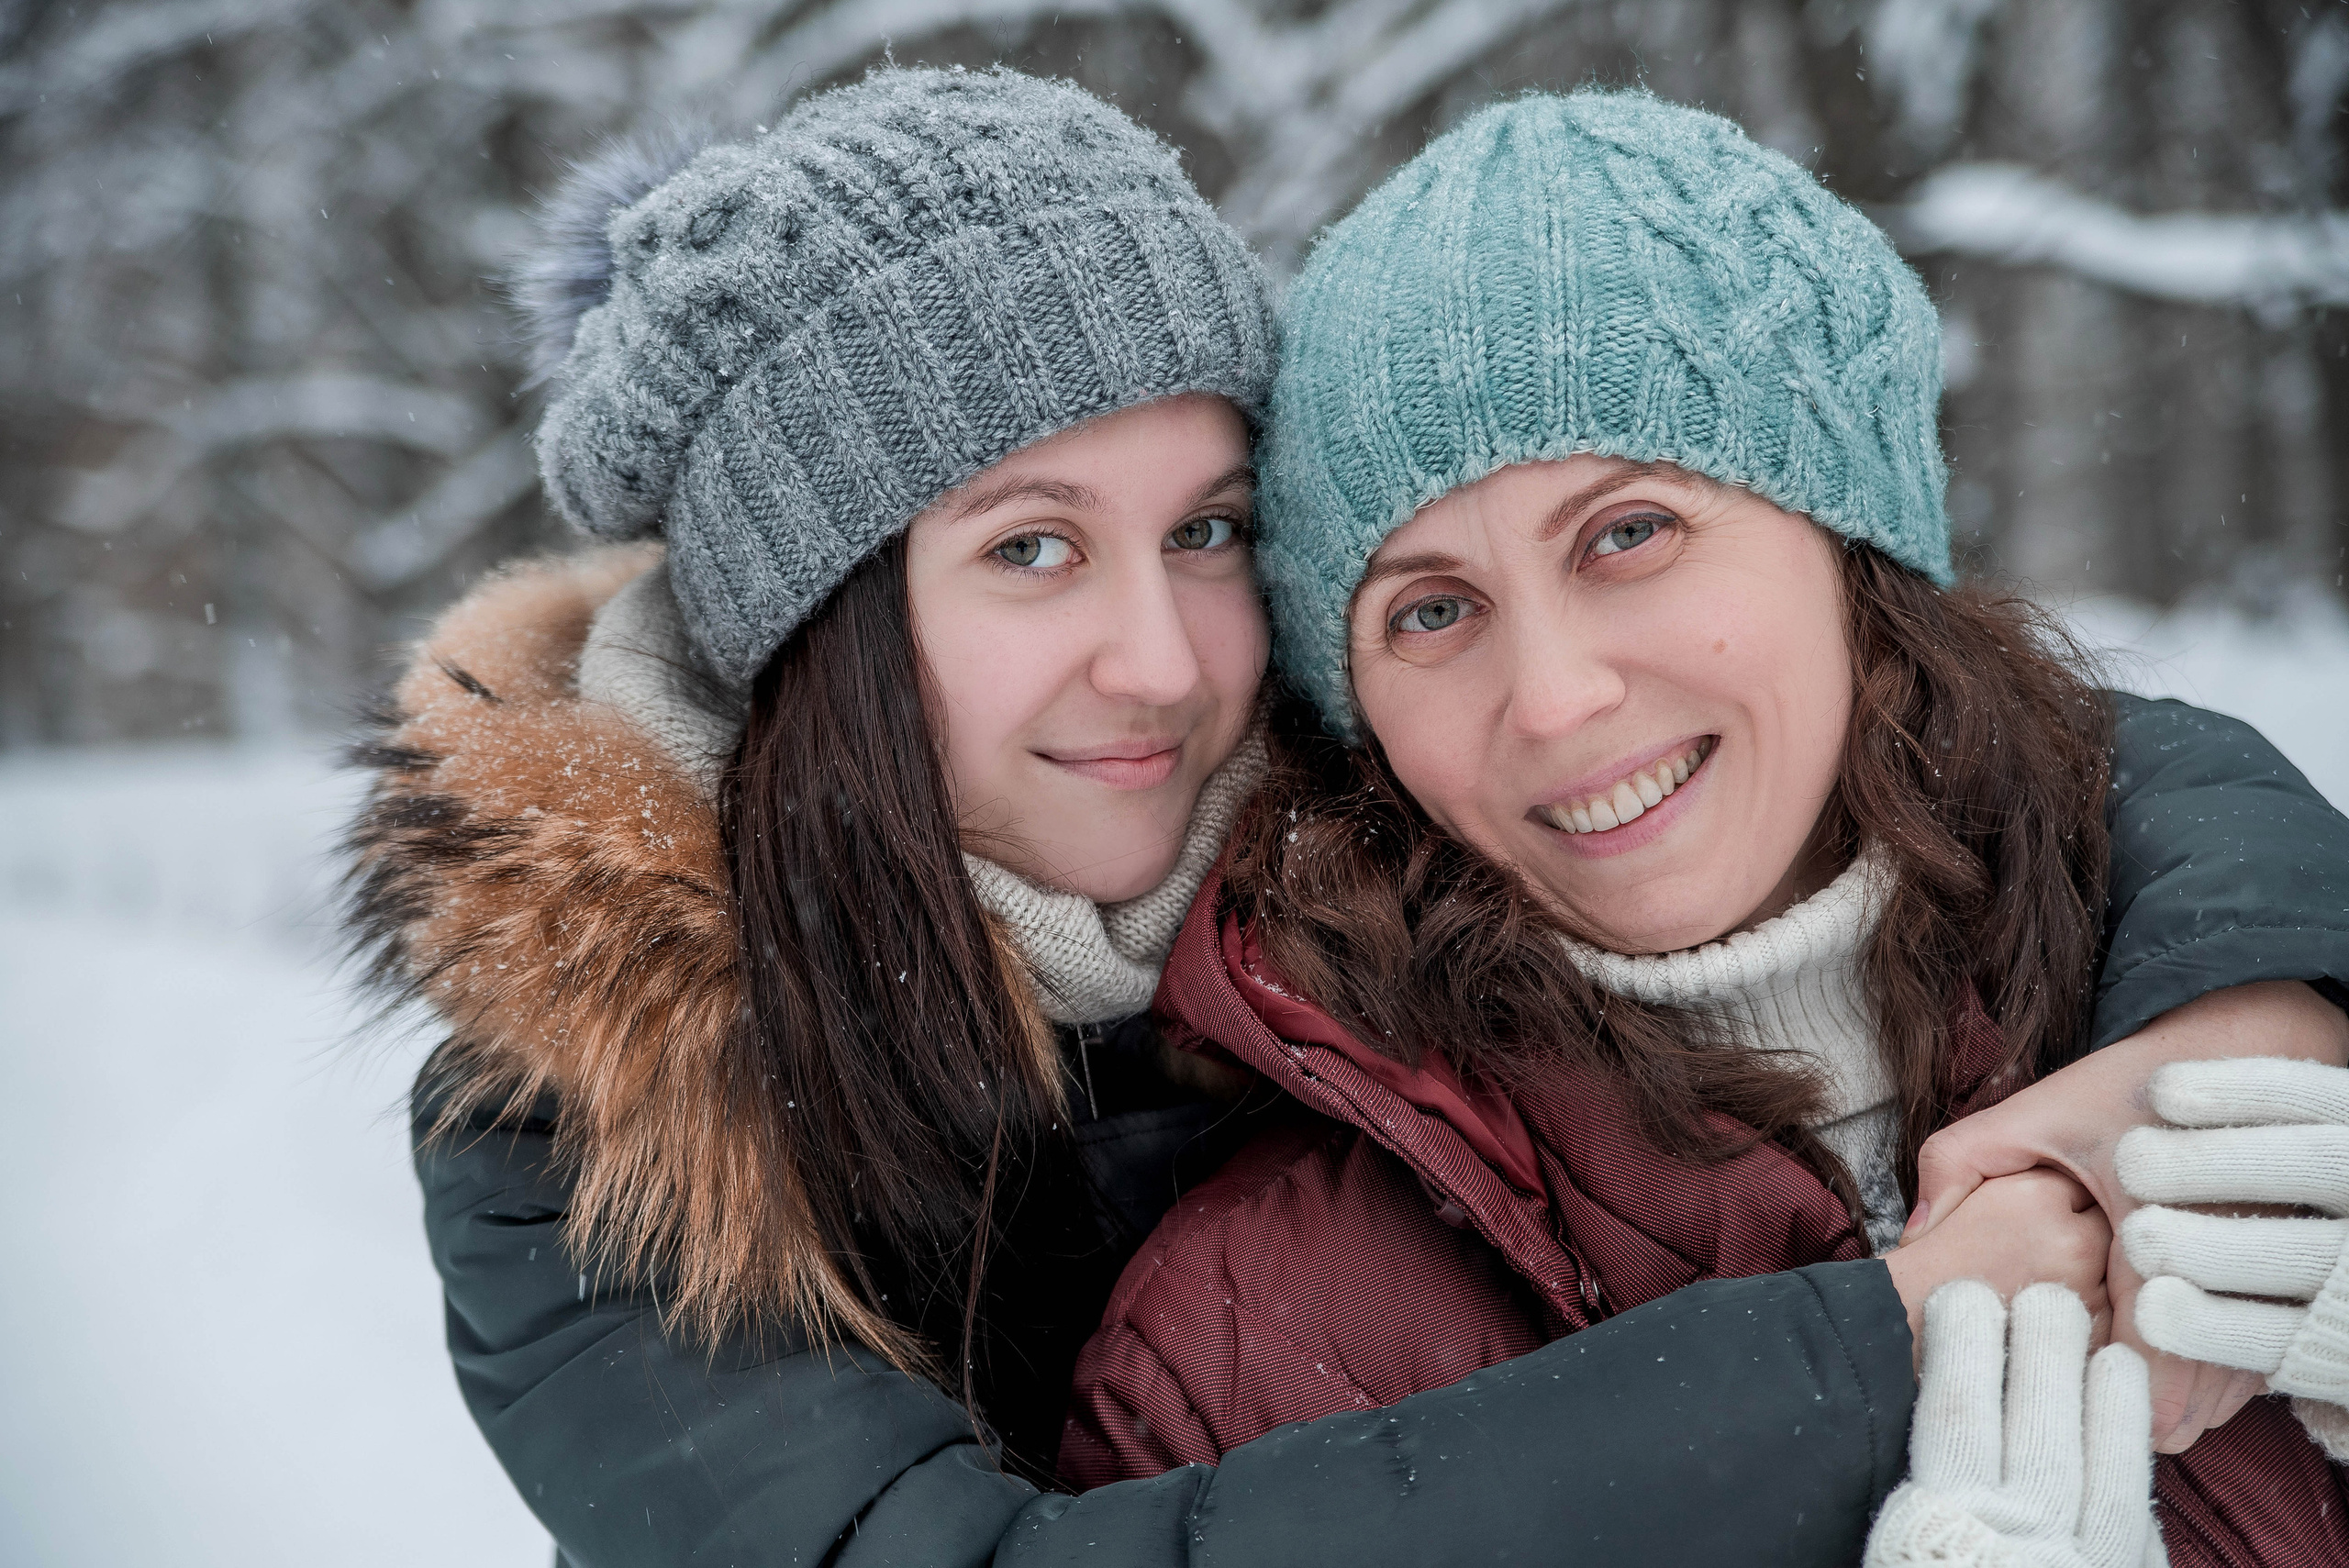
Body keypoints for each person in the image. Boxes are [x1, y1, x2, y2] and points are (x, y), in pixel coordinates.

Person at [349, 70, 2349, 1568]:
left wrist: (2252, 1005)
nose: (1158, 661)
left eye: (1209, 531)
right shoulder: (594, 1127)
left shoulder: (1346, 790)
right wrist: (1883, 1350)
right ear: (822, 628)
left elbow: (2034, 751)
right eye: (1031, 547)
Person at [1059, 88, 2349, 1565]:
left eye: (1629, 533)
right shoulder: (1229, 1369)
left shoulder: (2259, 1056)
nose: (1554, 699)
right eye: (1433, 610)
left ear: (1847, 536)